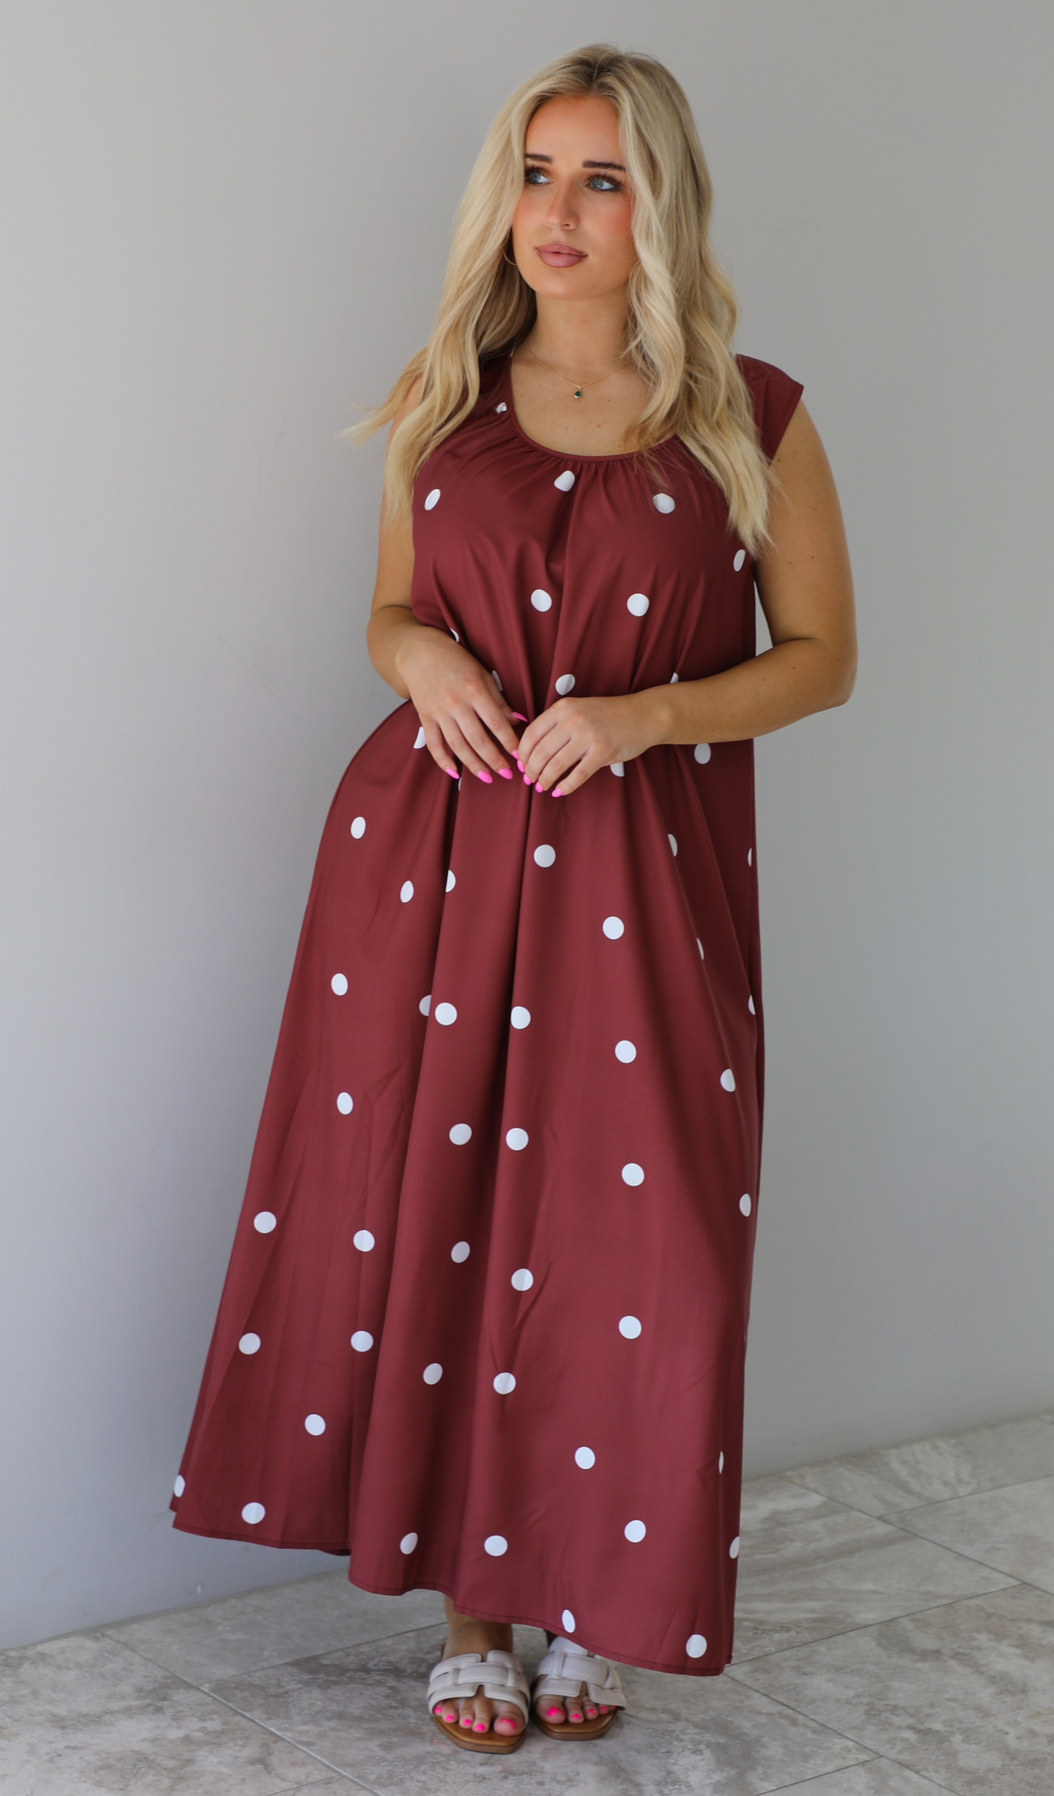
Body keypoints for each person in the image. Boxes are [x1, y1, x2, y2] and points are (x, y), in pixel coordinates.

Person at [170, 42, 855, 1754]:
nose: (562, 212)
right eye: (540, 173)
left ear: (662, 206)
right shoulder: (442, 397)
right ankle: (477, 1611)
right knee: (453, 1215)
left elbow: (825, 660)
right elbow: (392, 613)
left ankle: (595, 1600)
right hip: (430, 871)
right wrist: (417, 663)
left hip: (647, 882)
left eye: (604, 178)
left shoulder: (750, 415)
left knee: (642, 1243)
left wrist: (643, 715)